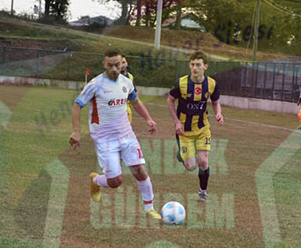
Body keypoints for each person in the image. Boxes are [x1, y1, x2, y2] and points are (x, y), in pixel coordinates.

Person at [69, 49, 161, 220]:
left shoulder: (127, 82)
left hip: (127, 136)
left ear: (122, 63)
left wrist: (148, 118)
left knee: (140, 171)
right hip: (105, 139)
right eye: (110, 65)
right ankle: (95, 181)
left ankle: (149, 208)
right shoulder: (95, 84)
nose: (114, 68)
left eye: (117, 65)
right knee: (115, 182)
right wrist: (76, 131)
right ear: (104, 64)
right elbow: (77, 105)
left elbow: (135, 101)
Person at [166, 52, 223, 202]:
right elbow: (170, 101)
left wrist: (218, 113)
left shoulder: (211, 84)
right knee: (191, 166)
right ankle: (182, 154)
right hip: (184, 131)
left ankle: (203, 192)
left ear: (205, 66)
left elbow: (216, 102)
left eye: (198, 65)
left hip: (203, 129)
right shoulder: (181, 83)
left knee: (203, 162)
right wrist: (176, 122)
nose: (195, 68)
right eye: (192, 64)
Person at [120, 54, 135, 123]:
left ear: (127, 63)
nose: (122, 65)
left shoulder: (130, 77)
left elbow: (134, 94)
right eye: (120, 63)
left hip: (127, 110)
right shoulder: (113, 77)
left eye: (124, 62)